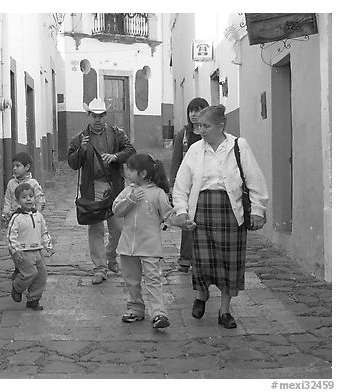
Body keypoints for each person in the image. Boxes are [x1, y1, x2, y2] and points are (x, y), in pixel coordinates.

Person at [172, 104, 268, 329]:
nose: (201, 130)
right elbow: (181, 184)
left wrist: (257, 210)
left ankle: (225, 310)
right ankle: (202, 295)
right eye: (199, 126)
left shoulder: (238, 146)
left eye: (206, 126)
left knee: (229, 263)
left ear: (221, 125)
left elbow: (254, 180)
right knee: (203, 261)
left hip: (230, 212)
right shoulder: (196, 150)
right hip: (203, 210)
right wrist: (182, 211)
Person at [67, 98, 136, 284]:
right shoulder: (79, 138)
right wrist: (81, 150)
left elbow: (130, 150)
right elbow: (73, 164)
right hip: (92, 188)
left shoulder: (116, 134)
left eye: (101, 115)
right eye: (94, 116)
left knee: (119, 228)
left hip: (114, 186)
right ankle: (100, 267)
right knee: (96, 229)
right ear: (88, 116)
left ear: (105, 116)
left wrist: (115, 156)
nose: (97, 119)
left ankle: (110, 256)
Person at [113, 154, 173, 329]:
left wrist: (181, 221)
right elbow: (117, 210)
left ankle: (158, 313)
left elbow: (168, 214)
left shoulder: (158, 194)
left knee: (153, 280)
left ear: (143, 173)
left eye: (131, 170)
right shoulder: (127, 191)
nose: (127, 173)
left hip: (150, 246)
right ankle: (135, 308)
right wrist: (130, 200)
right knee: (131, 280)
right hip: (127, 246)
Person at [170, 97, 209, 273]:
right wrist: (173, 185)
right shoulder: (183, 135)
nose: (193, 114)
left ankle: (205, 258)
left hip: (207, 182)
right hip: (188, 184)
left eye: (198, 110)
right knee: (187, 219)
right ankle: (185, 259)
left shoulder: (209, 133)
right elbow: (176, 161)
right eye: (191, 111)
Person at [7, 182, 55, 311]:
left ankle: (33, 299)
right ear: (17, 200)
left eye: (31, 196)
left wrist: (48, 245)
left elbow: (43, 231)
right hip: (23, 252)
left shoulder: (38, 216)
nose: (28, 199)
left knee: (41, 275)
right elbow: (11, 236)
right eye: (24, 197)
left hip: (38, 251)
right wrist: (15, 251)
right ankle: (17, 287)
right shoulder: (16, 218)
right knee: (30, 273)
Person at [3, 151, 46, 279]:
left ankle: (28, 266)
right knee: (14, 243)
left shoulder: (33, 183)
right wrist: (6, 213)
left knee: (29, 244)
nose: (14, 168)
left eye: (18, 166)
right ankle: (18, 266)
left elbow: (40, 198)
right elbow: (8, 199)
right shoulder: (11, 183)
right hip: (15, 219)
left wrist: (37, 213)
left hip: (29, 220)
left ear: (27, 167)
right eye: (13, 166)